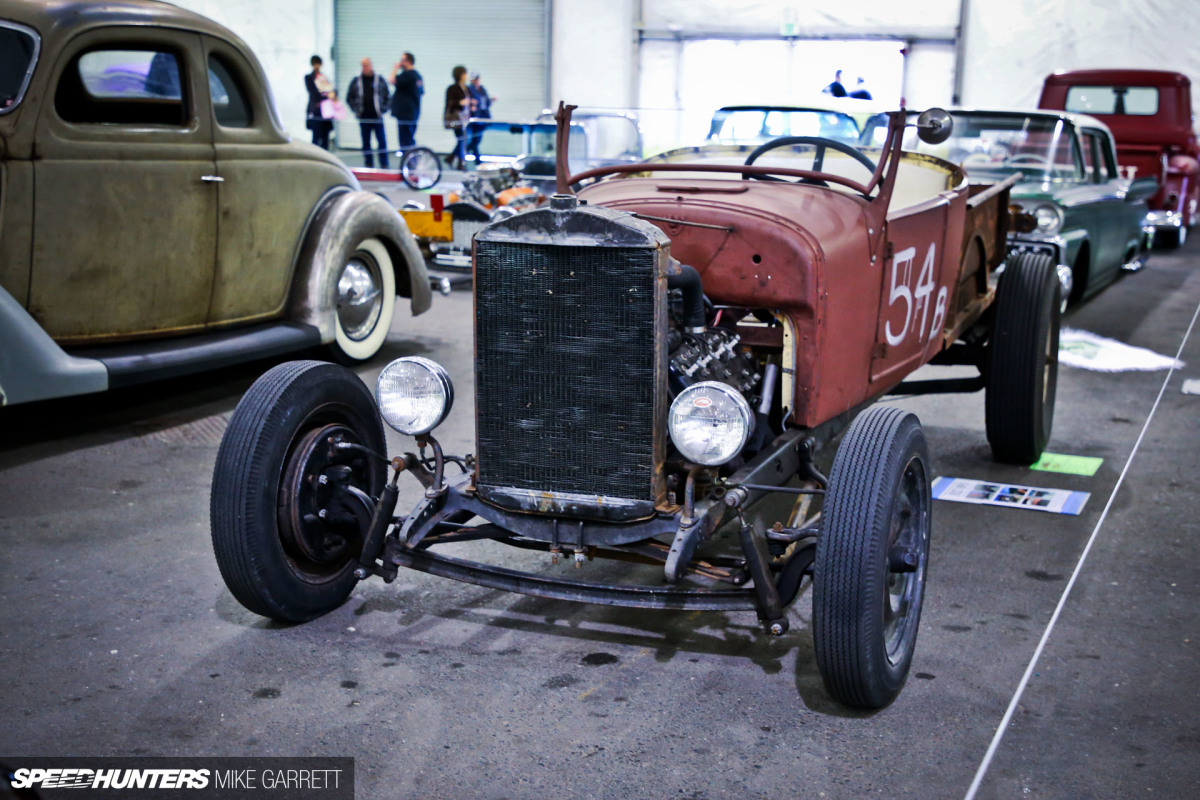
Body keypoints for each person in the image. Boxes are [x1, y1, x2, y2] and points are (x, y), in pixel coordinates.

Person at [347, 57, 390, 168]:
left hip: (377, 116)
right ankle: (369, 163)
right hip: (363, 116)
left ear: (371, 65)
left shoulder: (379, 80)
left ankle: (384, 163)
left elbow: (387, 96)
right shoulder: (356, 81)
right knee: (366, 141)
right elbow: (349, 98)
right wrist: (356, 110)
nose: (364, 68)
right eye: (362, 65)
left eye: (366, 65)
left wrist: (383, 109)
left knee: (381, 140)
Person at [390, 52, 423, 149]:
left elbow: (391, 80)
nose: (400, 63)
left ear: (408, 61)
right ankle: (410, 162)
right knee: (409, 139)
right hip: (412, 114)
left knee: (405, 142)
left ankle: (411, 162)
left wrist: (395, 68)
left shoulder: (408, 75)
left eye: (402, 60)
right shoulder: (417, 76)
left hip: (406, 115)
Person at [304, 55, 334, 149]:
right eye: (315, 64)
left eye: (318, 64)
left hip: (325, 111)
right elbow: (312, 91)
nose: (317, 66)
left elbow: (329, 91)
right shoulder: (309, 77)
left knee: (325, 137)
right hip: (315, 111)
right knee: (316, 137)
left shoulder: (324, 77)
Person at [443, 65, 470, 170]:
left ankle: (452, 158)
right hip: (456, 118)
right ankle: (460, 162)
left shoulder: (466, 88)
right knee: (461, 139)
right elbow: (450, 102)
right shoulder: (452, 88)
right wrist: (460, 102)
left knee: (462, 139)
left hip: (465, 117)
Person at [465, 71, 495, 164]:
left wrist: (491, 100)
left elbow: (486, 102)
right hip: (475, 118)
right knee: (476, 139)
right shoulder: (469, 89)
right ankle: (477, 161)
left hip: (483, 117)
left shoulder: (482, 89)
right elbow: (467, 102)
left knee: (477, 140)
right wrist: (471, 104)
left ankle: (461, 153)